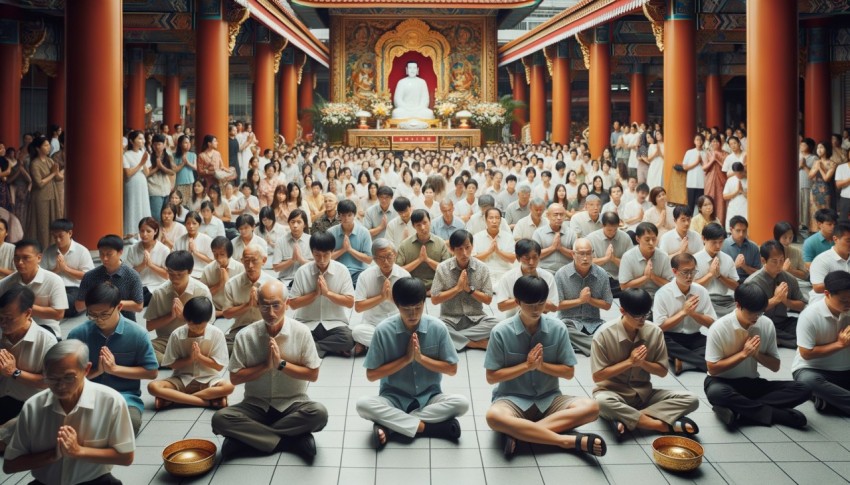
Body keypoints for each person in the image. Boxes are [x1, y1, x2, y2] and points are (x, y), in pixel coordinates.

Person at [485, 275, 606, 458]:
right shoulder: (501, 332)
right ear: (517, 301)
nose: (536, 310)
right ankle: (566, 441)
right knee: (493, 416)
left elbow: (568, 372)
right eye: (530, 304)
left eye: (541, 304)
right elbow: (491, 377)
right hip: (512, 399)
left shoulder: (558, 328)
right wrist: (526, 366)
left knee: (592, 407)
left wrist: (542, 367)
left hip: (549, 399)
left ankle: (521, 435)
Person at [211, 280, 327, 460]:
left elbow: (313, 374)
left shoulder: (301, 332)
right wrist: (265, 367)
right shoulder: (245, 335)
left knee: (319, 413)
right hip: (256, 404)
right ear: (257, 305)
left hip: (292, 403)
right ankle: (291, 440)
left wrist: (281, 364)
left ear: (287, 304)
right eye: (264, 306)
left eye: (276, 305)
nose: (271, 313)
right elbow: (234, 378)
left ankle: (248, 439)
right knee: (220, 419)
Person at [3, 340, 135, 485]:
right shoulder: (33, 406)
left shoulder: (111, 401)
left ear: (86, 369)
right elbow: (9, 465)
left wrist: (79, 451)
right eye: (52, 378)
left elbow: (126, 457)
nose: (60, 386)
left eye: (68, 377)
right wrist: (52, 456)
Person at [357, 277, 468, 449]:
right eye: (407, 309)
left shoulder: (437, 328)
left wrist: (421, 359)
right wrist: (405, 360)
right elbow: (371, 375)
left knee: (462, 403)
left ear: (425, 303)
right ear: (396, 305)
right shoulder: (383, 331)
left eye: (418, 308)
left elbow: (452, 369)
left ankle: (391, 426)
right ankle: (429, 428)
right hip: (393, 399)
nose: (413, 314)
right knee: (363, 405)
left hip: (430, 398)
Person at [591, 289, 701, 442]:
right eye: (637, 316)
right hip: (613, 393)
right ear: (622, 310)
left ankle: (626, 418)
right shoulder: (603, 335)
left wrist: (643, 363)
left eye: (646, 314)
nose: (642, 320)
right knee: (601, 403)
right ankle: (659, 425)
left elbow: (662, 372)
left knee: (692, 399)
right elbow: (598, 376)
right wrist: (629, 362)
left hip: (644, 394)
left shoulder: (654, 332)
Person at [704, 284, 812, 428]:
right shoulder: (719, 328)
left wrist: (757, 355)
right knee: (717, 393)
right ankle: (777, 414)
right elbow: (713, 369)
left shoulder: (766, 324)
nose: (756, 317)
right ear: (738, 305)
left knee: (804, 389)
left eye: (760, 313)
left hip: (751, 383)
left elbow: (775, 366)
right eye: (752, 313)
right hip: (722, 382)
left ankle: (739, 411)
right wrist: (743, 354)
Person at [68, 282, 158, 435]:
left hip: (125, 397)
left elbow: (151, 372)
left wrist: (115, 369)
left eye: (104, 314)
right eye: (92, 314)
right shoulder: (77, 335)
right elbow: (70, 377)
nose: (99, 319)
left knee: (129, 424)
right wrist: (97, 371)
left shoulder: (137, 334)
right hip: (86, 395)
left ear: (119, 307)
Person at [147, 296, 234, 410]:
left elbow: (218, 367)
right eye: (190, 324)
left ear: (207, 321)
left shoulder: (217, 334)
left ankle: (176, 400)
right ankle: (207, 402)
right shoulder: (176, 334)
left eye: (199, 325)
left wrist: (200, 357)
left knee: (229, 386)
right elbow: (172, 364)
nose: (194, 328)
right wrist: (190, 359)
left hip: (208, 379)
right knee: (152, 387)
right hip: (182, 378)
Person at [0, 286, 57, 451]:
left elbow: (49, 382)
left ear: (28, 313)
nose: (3, 323)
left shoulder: (46, 341)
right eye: (0, 318)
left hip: (30, 403)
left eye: (9, 318)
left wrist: (14, 372)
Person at [289, 231, 356, 357]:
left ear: (332, 251)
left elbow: (349, 302)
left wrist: (327, 293)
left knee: (348, 339)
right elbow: (292, 304)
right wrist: (315, 294)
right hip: (307, 323)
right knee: (293, 336)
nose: (322, 259)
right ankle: (329, 347)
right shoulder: (302, 272)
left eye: (326, 254)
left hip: (334, 324)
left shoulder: (342, 270)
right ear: (312, 252)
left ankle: (314, 348)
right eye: (317, 255)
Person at [792, 270, 850, 416]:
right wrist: (839, 344)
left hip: (845, 370)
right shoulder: (810, 315)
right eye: (844, 300)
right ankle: (831, 399)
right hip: (813, 370)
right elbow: (806, 353)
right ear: (827, 294)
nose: (848, 303)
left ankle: (828, 402)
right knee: (807, 381)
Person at [431, 230, 499, 350]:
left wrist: (469, 289)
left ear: (472, 246)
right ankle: (475, 343)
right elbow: (435, 299)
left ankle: (452, 339)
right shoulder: (442, 268)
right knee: (436, 326)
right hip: (450, 319)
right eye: (459, 249)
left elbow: (488, 299)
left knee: (497, 324)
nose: (465, 253)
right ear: (452, 249)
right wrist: (457, 289)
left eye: (467, 247)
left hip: (476, 318)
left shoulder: (482, 268)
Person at [144, 250, 214, 365]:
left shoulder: (201, 291)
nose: (174, 279)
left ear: (190, 271)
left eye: (179, 274)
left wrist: (184, 316)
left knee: (209, 346)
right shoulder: (159, 293)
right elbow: (149, 326)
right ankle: (181, 362)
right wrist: (171, 316)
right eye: (171, 274)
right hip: (168, 339)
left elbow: (208, 324)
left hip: (194, 338)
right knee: (145, 347)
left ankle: (173, 362)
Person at [652, 253, 716, 374]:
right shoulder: (662, 293)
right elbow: (659, 327)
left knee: (718, 345)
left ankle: (683, 361)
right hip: (670, 337)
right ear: (674, 271)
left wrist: (693, 314)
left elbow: (712, 324)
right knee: (657, 340)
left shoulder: (701, 291)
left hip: (694, 336)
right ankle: (708, 365)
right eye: (685, 272)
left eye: (693, 271)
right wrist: (683, 312)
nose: (690, 276)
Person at [554, 238, 613, 356]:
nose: (585, 258)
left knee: (610, 330)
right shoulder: (561, 274)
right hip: (569, 322)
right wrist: (580, 301)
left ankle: (580, 344)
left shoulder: (601, 274)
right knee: (560, 329)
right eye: (581, 253)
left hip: (594, 322)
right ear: (573, 254)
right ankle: (598, 347)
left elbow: (607, 304)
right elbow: (557, 305)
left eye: (588, 253)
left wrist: (590, 300)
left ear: (593, 253)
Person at [352, 239, 411, 355]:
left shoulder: (404, 275)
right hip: (373, 324)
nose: (386, 262)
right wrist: (381, 297)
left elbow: (410, 307)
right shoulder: (364, 276)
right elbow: (358, 307)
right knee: (357, 332)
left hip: (397, 323)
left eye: (389, 256)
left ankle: (376, 345)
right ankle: (395, 346)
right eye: (381, 258)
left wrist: (391, 298)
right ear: (374, 259)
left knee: (413, 331)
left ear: (395, 254)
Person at [744, 240, 806, 349]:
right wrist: (775, 300)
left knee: (807, 327)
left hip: (783, 322)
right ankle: (780, 339)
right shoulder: (752, 282)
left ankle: (778, 340)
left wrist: (786, 301)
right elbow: (748, 312)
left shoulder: (789, 279)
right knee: (755, 332)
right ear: (763, 260)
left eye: (781, 260)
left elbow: (802, 305)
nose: (779, 265)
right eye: (774, 261)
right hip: (759, 324)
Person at [0, 239, 68, 337]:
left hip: (45, 330)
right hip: (12, 329)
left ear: (39, 258)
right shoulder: (6, 283)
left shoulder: (54, 281)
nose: (19, 262)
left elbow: (58, 314)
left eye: (26, 258)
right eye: (16, 258)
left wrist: (20, 307)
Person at [75, 235, 144, 322]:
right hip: (97, 322)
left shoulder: (132, 276)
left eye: (109, 254)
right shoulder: (90, 276)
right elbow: (79, 306)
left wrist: (109, 302)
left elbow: (138, 306)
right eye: (101, 254)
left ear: (120, 252)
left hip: (126, 323)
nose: (105, 258)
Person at [222, 244, 276, 349]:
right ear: (242, 261)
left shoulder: (273, 284)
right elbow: (227, 314)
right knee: (224, 350)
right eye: (246, 261)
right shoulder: (231, 284)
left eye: (254, 260)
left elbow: (280, 313)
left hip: (266, 328)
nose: (250, 265)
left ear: (264, 260)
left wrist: (262, 305)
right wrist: (247, 305)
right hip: (240, 330)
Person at [40, 218, 94, 319]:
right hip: (53, 287)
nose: (58, 240)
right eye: (55, 237)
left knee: (66, 301)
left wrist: (66, 269)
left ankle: (59, 310)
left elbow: (89, 276)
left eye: (61, 236)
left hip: (74, 288)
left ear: (70, 233)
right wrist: (56, 270)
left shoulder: (82, 251)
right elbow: (41, 274)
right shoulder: (48, 251)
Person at [494, 239, 558, 319]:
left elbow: (554, 307)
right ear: (518, 258)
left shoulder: (548, 277)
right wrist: (525, 297)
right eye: (527, 258)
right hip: (513, 320)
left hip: (541, 319)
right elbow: (501, 307)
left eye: (535, 257)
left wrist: (533, 298)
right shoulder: (507, 278)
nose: (531, 262)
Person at [396, 209, 451, 292]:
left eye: (425, 223)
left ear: (430, 221)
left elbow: (446, 270)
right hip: (411, 288)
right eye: (418, 225)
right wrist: (419, 260)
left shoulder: (440, 243)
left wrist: (427, 260)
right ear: (413, 226)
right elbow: (398, 270)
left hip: (436, 288)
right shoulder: (404, 245)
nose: (422, 228)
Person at [694, 222, 741, 318]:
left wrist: (719, 276)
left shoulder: (727, 259)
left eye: (721, 242)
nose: (718, 246)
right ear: (703, 239)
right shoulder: (694, 260)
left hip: (726, 300)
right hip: (704, 299)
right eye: (714, 242)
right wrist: (710, 274)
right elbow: (691, 286)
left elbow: (736, 286)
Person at [619, 222, 673, 299]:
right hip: (635, 296)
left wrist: (653, 277)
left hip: (659, 296)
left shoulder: (663, 256)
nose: (651, 243)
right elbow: (623, 286)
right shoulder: (627, 257)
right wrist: (645, 277)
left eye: (654, 239)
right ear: (637, 239)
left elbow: (670, 285)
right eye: (647, 239)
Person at [123, 217, 169, 305]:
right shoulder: (133, 249)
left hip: (158, 284)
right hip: (139, 284)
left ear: (155, 231)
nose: (144, 234)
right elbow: (128, 274)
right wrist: (143, 265)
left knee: (140, 300)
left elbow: (167, 275)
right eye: (142, 231)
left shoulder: (164, 250)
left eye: (148, 231)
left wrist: (151, 265)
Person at [328, 199, 373, 286]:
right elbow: (326, 257)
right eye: (343, 215)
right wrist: (343, 250)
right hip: (337, 272)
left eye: (349, 215)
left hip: (359, 272)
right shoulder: (331, 232)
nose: (346, 218)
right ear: (339, 215)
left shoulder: (364, 232)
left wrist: (350, 250)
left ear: (354, 215)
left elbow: (369, 259)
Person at [472, 207, 516, 287]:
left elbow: (513, 259)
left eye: (497, 218)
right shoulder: (477, 237)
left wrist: (498, 251)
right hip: (484, 273)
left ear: (501, 220)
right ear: (485, 220)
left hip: (504, 272)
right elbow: (473, 260)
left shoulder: (508, 237)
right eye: (491, 218)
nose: (494, 221)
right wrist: (489, 252)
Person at [122, 131, 150, 240]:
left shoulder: (143, 153)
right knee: (132, 206)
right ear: (131, 141)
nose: (142, 141)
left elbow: (147, 173)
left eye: (143, 139)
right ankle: (131, 233)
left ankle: (144, 231)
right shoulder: (126, 155)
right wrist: (141, 163)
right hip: (132, 184)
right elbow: (128, 173)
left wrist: (144, 162)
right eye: (139, 139)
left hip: (142, 183)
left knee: (142, 206)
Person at [532, 203, 576, 274]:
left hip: (566, 271)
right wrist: (552, 247)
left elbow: (576, 255)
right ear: (548, 216)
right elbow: (534, 255)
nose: (559, 218)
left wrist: (561, 248)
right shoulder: (538, 233)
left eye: (561, 215)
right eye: (555, 215)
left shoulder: (571, 233)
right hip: (544, 270)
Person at [173, 211, 214, 279]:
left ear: (199, 224)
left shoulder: (207, 240)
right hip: (183, 274)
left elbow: (212, 261)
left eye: (194, 223)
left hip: (202, 273)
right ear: (185, 225)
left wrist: (195, 252)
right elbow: (174, 260)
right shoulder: (179, 240)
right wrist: (187, 254)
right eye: (188, 223)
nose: (191, 226)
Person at [722, 216, 762, 283]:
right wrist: (735, 266)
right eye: (738, 230)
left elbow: (759, 273)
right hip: (729, 281)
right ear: (731, 230)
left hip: (750, 282)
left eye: (744, 231)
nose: (741, 234)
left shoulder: (754, 247)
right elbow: (719, 273)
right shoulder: (722, 245)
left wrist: (745, 267)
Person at [722, 162, 748, 229]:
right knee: (731, 226)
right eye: (736, 173)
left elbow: (753, 198)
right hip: (733, 207)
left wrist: (742, 191)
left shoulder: (749, 180)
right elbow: (725, 196)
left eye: (740, 173)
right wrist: (736, 192)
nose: (738, 175)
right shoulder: (730, 180)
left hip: (745, 207)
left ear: (743, 170)